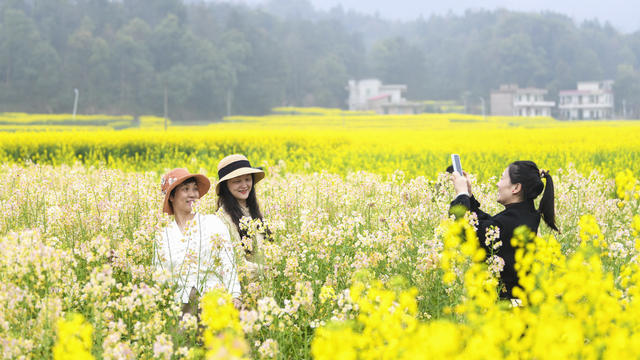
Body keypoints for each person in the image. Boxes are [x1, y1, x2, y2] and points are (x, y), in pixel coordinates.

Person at [449, 160, 558, 300]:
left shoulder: (511, 222)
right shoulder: (526, 216)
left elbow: (466, 231)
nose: (497, 184)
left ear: (516, 188)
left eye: (501, 178)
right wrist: (469, 196)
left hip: (506, 311)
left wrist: (461, 195)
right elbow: (488, 227)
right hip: (518, 304)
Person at [154, 168, 242, 316]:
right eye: (185, 189)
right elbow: (159, 275)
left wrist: (235, 295)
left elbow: (228, 262)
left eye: (195, 189)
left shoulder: (213, 222)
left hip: (214, 303)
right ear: (171, 197)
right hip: (179, 308)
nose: (193, 194)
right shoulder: (163, 235)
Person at [214, 154, 271, 275]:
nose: (244, 185)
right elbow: (235, 261)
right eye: (237, 181)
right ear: (226, 186)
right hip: (245, 289)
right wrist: (265, 270)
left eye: (247, 179)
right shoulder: (223, 219)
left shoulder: (254, 211)